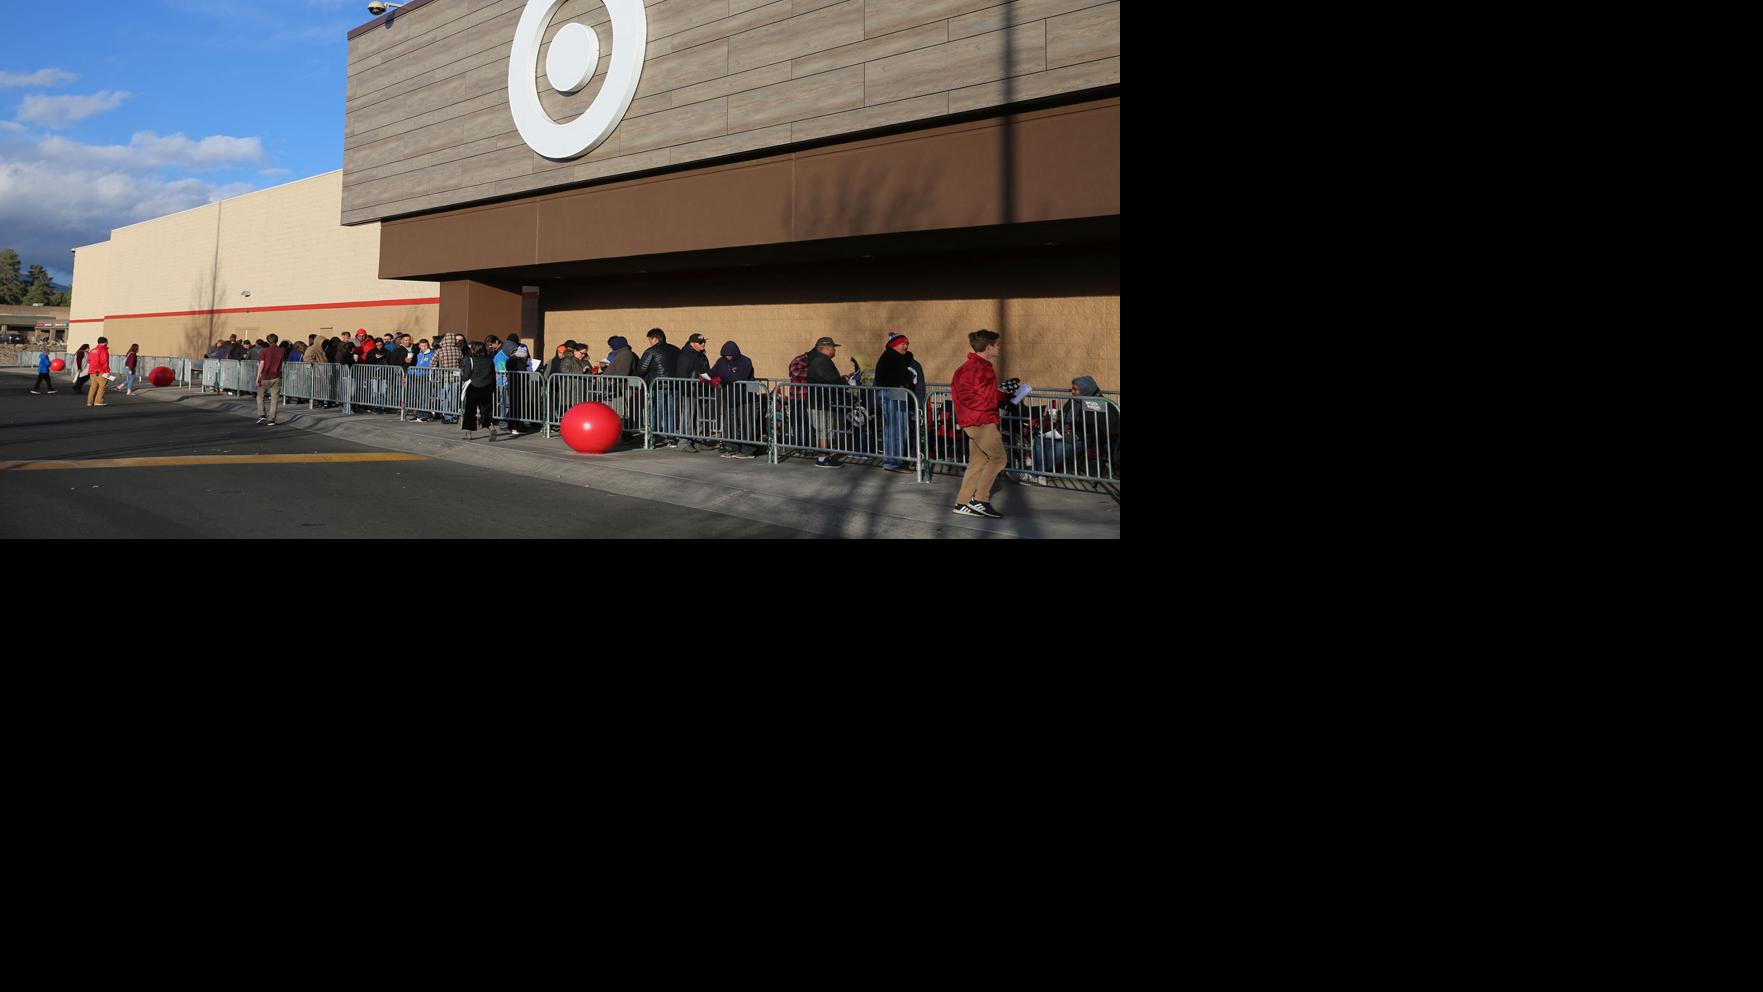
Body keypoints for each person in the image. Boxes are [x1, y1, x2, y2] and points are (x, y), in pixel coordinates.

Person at [1022, 376, 1120, 485]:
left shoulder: (1099, 404)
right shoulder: (1074, 401)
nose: (1072, 392)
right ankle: (1039, 474)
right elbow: (1064, 416)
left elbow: (1101, 429)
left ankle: (1036, 473)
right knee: (1040, 440)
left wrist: (1072, 433)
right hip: (1066, 434)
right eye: (1072, 389)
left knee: (1058, 448)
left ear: (1085, 389)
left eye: (1075, 389)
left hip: (1085, 440)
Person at [950, 329, 1005, 518]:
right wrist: (997, 399)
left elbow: (984, 394)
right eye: (997, 345)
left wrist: (1003, 393)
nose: (999, 348)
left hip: (979, 418)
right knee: (999, 458)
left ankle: (963, 502)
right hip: (979, 420)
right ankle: (980, 500)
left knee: (978, 461)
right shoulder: (973, 368)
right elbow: (967, 397)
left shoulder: (981, 366)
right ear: (989, 347)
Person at [873, 333, 917, 472]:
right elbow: (892, 378)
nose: (906, 346)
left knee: (900, 428)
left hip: (897, 395)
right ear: (894, 345)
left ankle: (896, 459)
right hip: (891, 396)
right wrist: (903, 384)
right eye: (903, 344)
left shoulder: (898, 357)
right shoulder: (891, 357)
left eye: (907, 344)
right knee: (894, 429)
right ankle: (892, 461)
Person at [709, 340, 758, 458]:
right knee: (729, 424)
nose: (728, 357)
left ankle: (748, 450)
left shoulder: (745, 361)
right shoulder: (721, 362)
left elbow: (738, 377)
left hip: (745, 398)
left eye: (730, 355)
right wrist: (703, 378)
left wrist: (721, 379)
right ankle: (731, 447)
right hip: (729, 398)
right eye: (726, 355)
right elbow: (712, 373)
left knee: (747, 424)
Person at [635, 329, 681, 444]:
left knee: (655, 411)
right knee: (670, 411)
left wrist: (636, 377)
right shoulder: (676, 349)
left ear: (655, 338)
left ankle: (653, 437)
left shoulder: (651, 351)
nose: (649, 342)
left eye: (650, 340)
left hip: (656, 385)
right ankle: (671, 438)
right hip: (673, 385)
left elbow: (642, 369)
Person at [805, 336, 844, 467]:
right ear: (826, 348)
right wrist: (844, 383)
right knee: (824, 429)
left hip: (821, 401)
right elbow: (832, 379)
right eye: (833, 347)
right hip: (820, 402)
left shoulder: (818, 359)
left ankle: (824, 456)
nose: (835, 350)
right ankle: (823, 457)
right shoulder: (820, 361)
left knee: (825, 429)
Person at [673, 332, 711, 451]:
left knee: (699, 416)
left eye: (704, 341)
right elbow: (683, 375)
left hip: (700, 390)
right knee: (688, 416)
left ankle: (698, 439)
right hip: (689, 390)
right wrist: (687, 389)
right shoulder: (686, 356)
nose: (703, 344)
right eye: (700, 342)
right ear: (692, 343)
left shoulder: (701, 355)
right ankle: (684, 442)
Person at [460, 341, 498, 441]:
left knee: (470, 411)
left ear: (474, 349)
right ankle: (491, 427)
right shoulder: (490, 360)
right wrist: (493, 388)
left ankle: (468, 433)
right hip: (487, 387)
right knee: (486, 411)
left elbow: (466, 376)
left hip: (474, 386)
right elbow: (493, 376)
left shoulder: (471, 360)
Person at [429, 332, 462, 423]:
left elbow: (432, 363)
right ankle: (454, 416)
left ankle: (447, 416)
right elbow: (462, 362)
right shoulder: (458, 350)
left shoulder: (440, 350)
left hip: (444, 376)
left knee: (445, 396)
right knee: (454, 396)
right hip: (456, 376)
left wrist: (436, 369)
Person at [255, 333, 287, 426]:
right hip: (276, 376)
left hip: (265, 376)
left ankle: (262, 415)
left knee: (260, 396)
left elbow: (261, 364)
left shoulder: (264, 351)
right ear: (277, 340)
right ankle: (271, 419)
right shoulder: (282, 350)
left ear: (268, 341)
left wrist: (257, 377)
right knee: (274, 399)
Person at [86, 337, 113, 407]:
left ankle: (90, 401)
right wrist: (107, 372)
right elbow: (104, 362)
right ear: (106, 342)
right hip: (101, 371)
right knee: (102, 386)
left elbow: (88, 360)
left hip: (92, 371)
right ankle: (98, 401)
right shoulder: (103, 350)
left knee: (93, 386)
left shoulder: (92, 350)